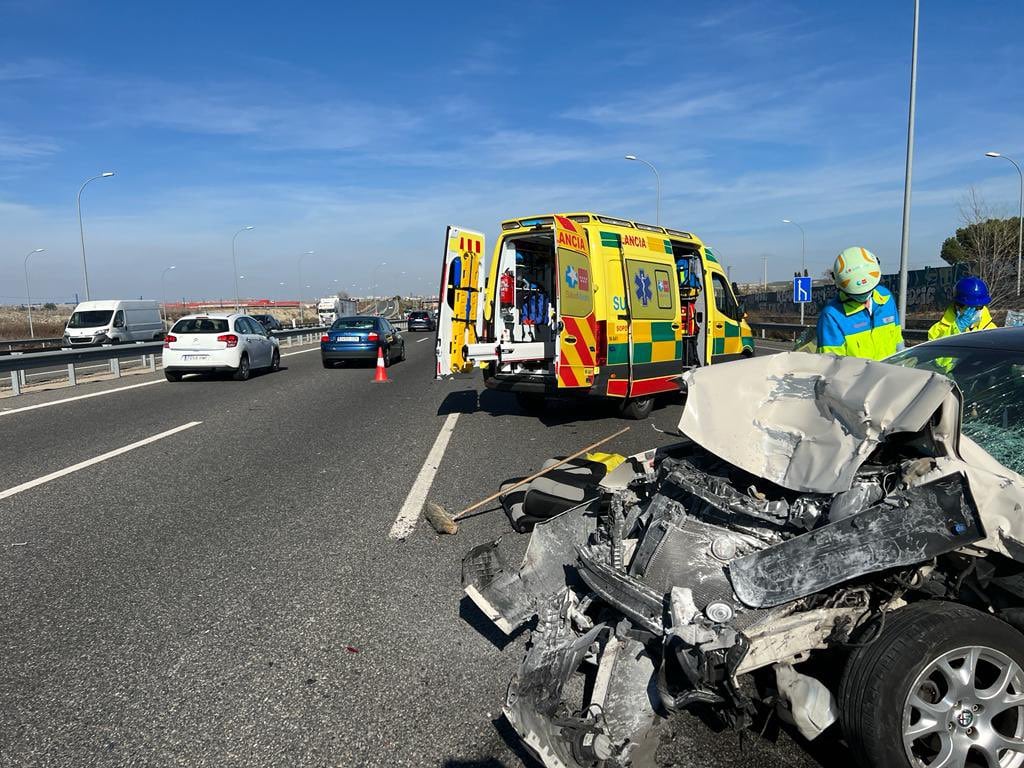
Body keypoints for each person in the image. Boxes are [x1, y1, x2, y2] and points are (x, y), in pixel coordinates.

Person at [817, 246, 903, 360]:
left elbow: (898, 343)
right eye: (857, 293)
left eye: (868, 290)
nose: (864, 296)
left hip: (891, 376)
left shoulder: (886, 298)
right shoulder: (832, 316)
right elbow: (831, 365)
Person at [927, 276, 997, 340]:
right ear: (958, 306)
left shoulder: (992, 330)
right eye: (971, 308)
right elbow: (933, 351)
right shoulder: (937, 330)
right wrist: (956, 329)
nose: (975, 311)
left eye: (979, 307)